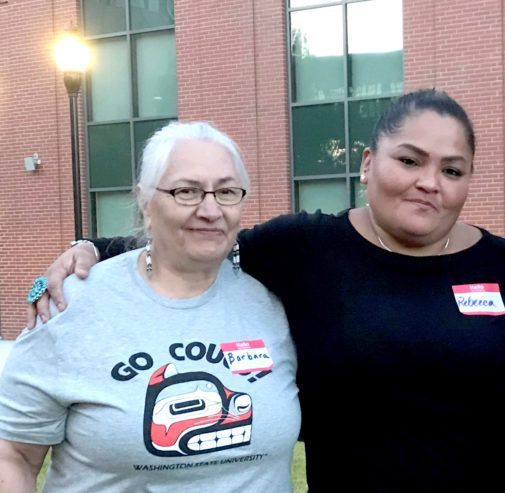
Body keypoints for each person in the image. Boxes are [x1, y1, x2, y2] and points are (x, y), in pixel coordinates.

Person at [27, 90, 505, 492]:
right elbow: (199, 235)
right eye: (410, 161)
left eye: (451, 170)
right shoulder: (307, 247)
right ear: (369, 163)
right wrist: (87, 246)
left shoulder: (502, 263)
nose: (429, 182)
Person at [0, 122, 300, 491]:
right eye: (186, 191)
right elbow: (12, 454)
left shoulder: (273, 302)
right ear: (145, 202)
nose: (210, 209)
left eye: (226, 192)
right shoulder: (71, 305)